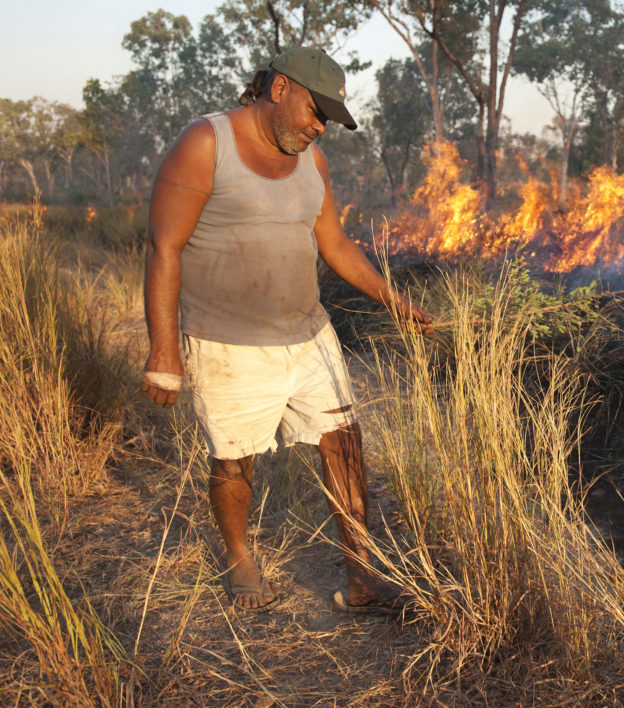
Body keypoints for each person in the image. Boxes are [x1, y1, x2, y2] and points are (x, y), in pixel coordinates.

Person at [141, 46, 433, 614]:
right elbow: (163, 246)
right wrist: (164, 352)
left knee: (345, 444)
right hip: (228, 344)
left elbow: (336, 246)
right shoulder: (206, 144)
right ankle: (238, 557)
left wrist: (396, 302)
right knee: (234, 460)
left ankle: (362, 573)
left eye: (328, 119)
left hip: (309, 334)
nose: (319, 127)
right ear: (280, 89)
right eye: (314, 112)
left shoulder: (311, 161)